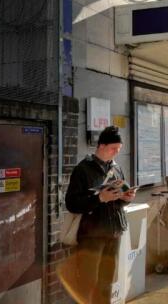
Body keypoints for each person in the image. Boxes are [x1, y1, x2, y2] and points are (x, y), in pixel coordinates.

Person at [65, 126, 135, 304]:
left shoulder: (116, 168)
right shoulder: (83, 170)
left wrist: (126, 198)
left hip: (114, 232)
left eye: (118, 150)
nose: (116, 153)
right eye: (113, 149)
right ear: (101, 146)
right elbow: (72, 203)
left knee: (107, 283)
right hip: (92, 235)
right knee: (87, 283)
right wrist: (99, 198)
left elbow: (117, 201)